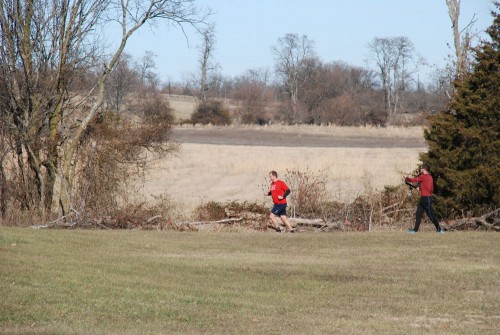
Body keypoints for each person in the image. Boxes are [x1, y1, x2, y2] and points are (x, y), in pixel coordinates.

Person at [404, 164, 444, 234]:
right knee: (418, 214)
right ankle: (415, 230)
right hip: (424, 198)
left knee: (431, 215)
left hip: (426, 199)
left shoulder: (423, 176)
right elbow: (430, 188)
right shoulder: (430, 177)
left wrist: (406, 178)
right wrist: (420, 189)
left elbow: (413, 180)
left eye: (421, 168)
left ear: (423, 169)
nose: (420, 170)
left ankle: (439, 230)